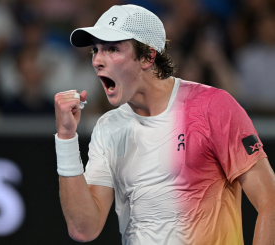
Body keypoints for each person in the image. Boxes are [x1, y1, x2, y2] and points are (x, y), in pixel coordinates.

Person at [54, 4, 275, 245]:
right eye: (95, 50)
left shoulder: (213, 107)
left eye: (112, 49)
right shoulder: (108, 127)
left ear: (148, 57)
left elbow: (270, 200)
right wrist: (66, 138)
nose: (97, 60)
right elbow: (83, 229)